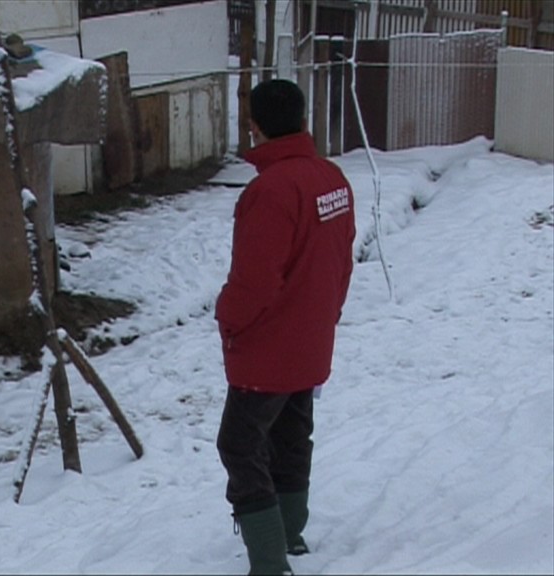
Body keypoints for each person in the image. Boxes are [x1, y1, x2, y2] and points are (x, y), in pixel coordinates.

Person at [215, 79, 356, 575]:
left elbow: (254, 282)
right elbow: (342, 262)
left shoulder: (270, 191)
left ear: (255, 128)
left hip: (268, 347)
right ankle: (291, 531)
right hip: (312, 337)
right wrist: (327, 316)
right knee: (293, 433)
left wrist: (227, 318)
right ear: (303, 121)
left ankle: (270, 561)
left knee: (239, 443)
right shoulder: (332, 179)